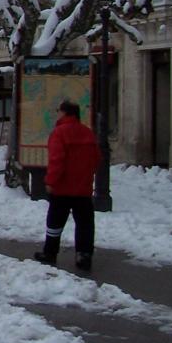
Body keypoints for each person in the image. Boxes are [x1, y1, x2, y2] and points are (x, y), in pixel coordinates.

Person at [34, 100, 100, 271]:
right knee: (85, 222)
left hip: (62, 188)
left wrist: (51, 181)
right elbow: (96, 159)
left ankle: (50, 252)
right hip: (83, 188)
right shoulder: (88, 133)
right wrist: (87, 177)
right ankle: (84, 255)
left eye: (59, 111)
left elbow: (56, 160)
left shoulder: (59, 133)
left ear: (65, 113)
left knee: (55, 221)